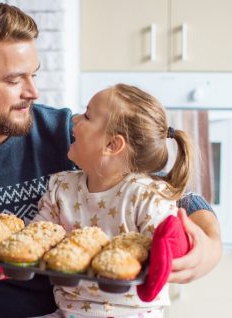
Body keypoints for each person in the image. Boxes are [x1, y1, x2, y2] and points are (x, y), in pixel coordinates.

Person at [0, 2, 221, 318]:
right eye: (15, 80)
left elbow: (171, 191)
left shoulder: (67, 133)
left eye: (34, 74)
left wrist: (210, 247)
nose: (33, 91)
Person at [32, 83, 194, 318]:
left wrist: (176, 239)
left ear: (112, 145)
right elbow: (37, 237)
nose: (75, 120)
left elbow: (166, 251)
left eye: (87, 116)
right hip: (68, 313)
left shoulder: (146, 196)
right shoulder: (62, 187)